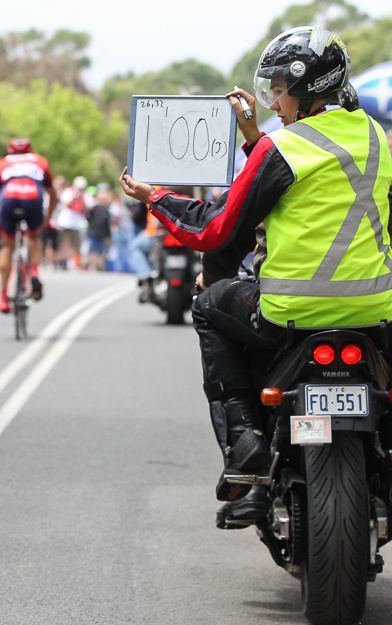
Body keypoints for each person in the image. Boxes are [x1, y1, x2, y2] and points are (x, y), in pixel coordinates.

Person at [119, 26, 392, 526]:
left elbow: (218, 232)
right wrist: (254, 138)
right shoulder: (375, 136)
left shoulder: (281, 148)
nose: (274, 102)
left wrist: (153, 196)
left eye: (278, 92)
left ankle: (245, 447)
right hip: (376, 313)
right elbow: (314, 180)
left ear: (303, 89)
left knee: (208, 305)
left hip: (289, 313)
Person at [0, 137, 57, 313]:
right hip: (33, 198)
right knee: (34, 236)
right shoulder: (40, 161)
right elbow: (53, 195)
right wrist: (47, 219)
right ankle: (33, 272)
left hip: (9, 199)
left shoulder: (3, 163)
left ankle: (3, 298)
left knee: (7, 245)